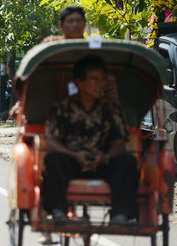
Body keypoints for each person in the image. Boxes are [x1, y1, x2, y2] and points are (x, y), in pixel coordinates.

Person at [41, 55, 138, 225]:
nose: (100, 84)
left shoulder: (111, 109)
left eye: (102, 80)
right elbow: (51, 141)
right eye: (95, 79)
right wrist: (74, 155)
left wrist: (105, 157)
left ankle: (120, 215)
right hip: (71, 162)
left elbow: (120, 143)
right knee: (53, 159)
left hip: (103, 161)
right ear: (79, 82)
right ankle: (58, 211)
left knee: (127, 161)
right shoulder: (63, 107)